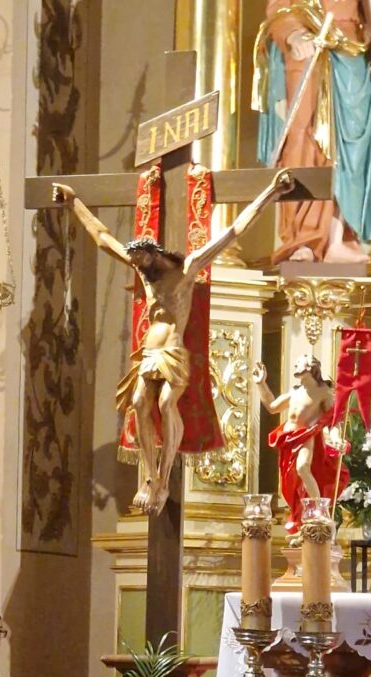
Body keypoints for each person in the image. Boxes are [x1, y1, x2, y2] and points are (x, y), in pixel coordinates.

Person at [53, 169, 294, 515]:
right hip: (150, 352)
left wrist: (271, 192)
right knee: (139, 401)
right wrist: (74, 202)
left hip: (174, 351)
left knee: (167, 404)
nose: (140, 270)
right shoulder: (144, 271)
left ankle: (163, 479)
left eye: (142, 262)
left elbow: (234, 230)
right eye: (136, 264)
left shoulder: (187, 270)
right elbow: (103, 239)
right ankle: (150, 475)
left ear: (154, 254)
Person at [255, 0, 371, 263]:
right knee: (304, 144)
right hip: (307, 52)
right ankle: (302, 239)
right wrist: (294, 34)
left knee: (351, 151)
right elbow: (278, 8)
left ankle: (338, 238)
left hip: (353, 54)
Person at [253, 354, 349, 533]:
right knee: (289, 484)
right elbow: (272, 407)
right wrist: (261, 384)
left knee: (303, 467)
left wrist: (336, 438)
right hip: (288, 439)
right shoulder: (295, 392)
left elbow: (333, 421)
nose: (295, 364)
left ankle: (319, 510)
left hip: (306, 436)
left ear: (310, 366)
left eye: (299, 362)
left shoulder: (323, 392)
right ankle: (300, 516)